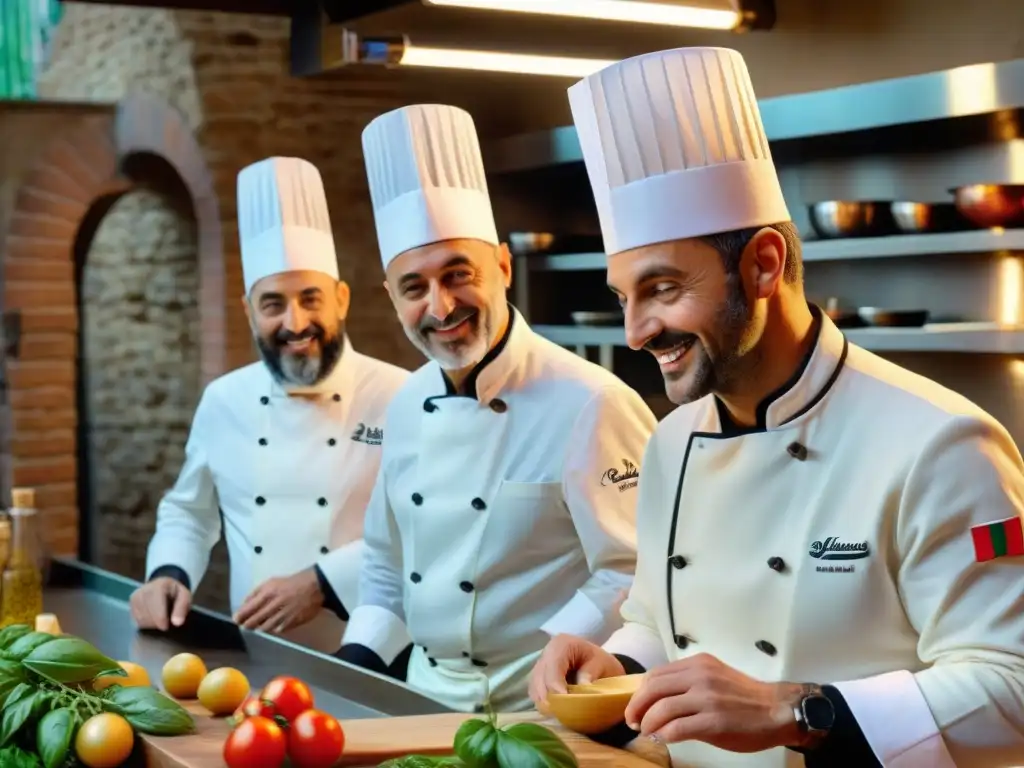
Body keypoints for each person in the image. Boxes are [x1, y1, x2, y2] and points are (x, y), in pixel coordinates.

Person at [528, 46, 1024, 768]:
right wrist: (620, 668)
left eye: (662, 289)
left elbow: (1012, 688)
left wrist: (797, 710)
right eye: (623, 298)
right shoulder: (671, 442)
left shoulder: (941, 443)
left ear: (761, 265)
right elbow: (662, 620)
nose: (635, 331)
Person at [336, 103, 658, 713]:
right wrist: (356, 667)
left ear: (503, 267)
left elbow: (634, 568)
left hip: (539, 706)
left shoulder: (593, 402)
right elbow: (384, 561)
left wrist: (554, 649)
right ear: (390, 296)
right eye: (414, 287)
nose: (441, 306)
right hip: (420, 697)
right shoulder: (405, 404)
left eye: (458, 274)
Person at [130, 156, 409, 655]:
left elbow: (426, 528)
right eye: (273, 303)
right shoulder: (224, 399)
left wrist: (324, 582)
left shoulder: (401, 395)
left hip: (375, 656)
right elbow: (188, 513)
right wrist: (167, 572)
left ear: (341, 299)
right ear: (249, 311)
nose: (294, 322)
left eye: (310, 298)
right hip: (254, 658)